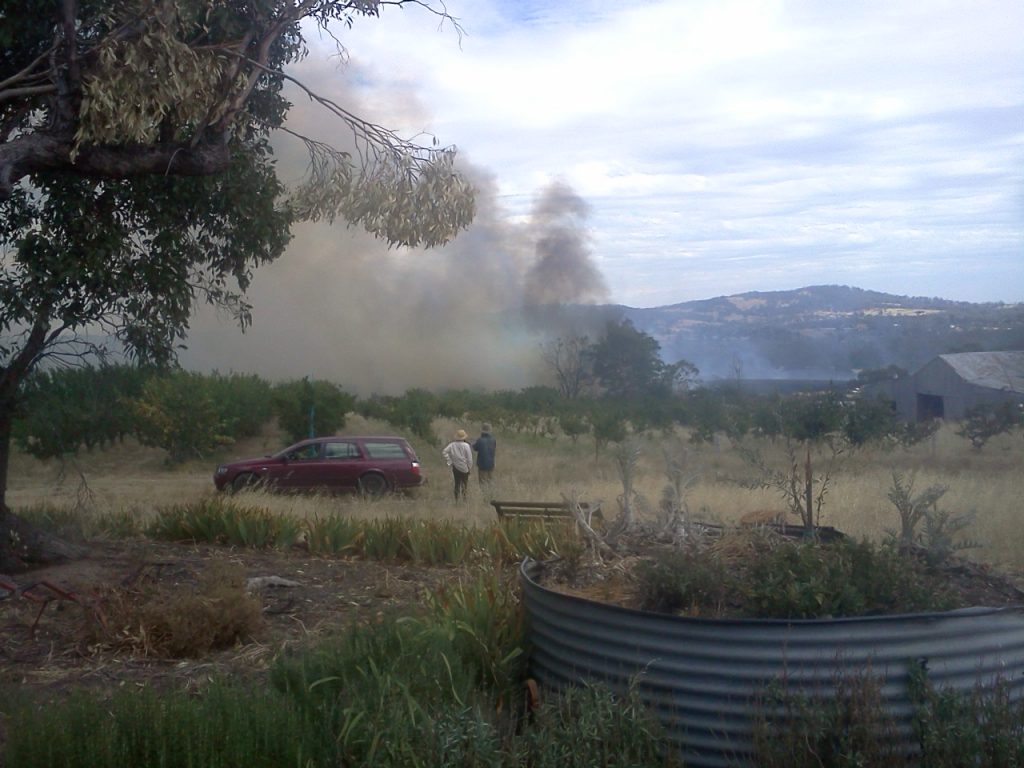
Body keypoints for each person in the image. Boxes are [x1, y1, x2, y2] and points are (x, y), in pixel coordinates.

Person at [441, 429, 473, 502]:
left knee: (457, 484)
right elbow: (469, 459)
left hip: (455, 467)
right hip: (465, 468)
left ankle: (456, 500)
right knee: (464, 485)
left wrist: (450, 461)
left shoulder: (452, 445)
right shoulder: (466, 445)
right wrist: (469, 468)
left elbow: (444, 452)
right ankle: (464, 499)